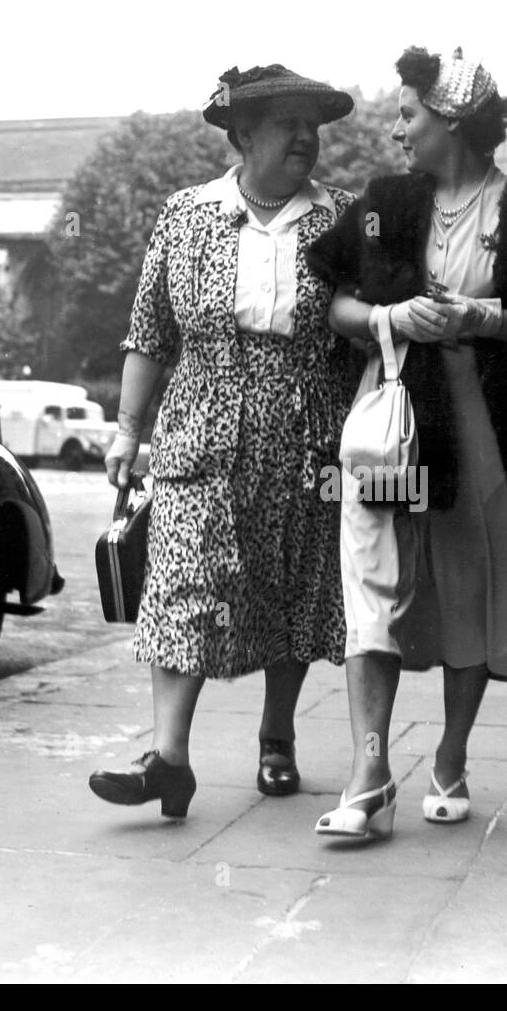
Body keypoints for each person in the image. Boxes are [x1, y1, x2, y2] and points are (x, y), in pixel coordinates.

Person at [306, 46, 507, 839]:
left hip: (490, 436)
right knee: (372, 590)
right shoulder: (385, 202)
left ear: (451, 121)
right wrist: (389, 318)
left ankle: (449, 758)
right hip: (393, 431)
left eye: (408, 114)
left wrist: (484, 320)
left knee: (474, 594)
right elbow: (337, 301)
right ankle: (369, 774)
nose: (396, 130)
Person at [87, 65, 357, 818]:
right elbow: (148, 334)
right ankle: (168, 759)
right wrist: (127, 431)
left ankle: (277, 737)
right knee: (182, 582)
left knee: (292, 580)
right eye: (287, 125)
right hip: (199, 422)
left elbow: (370, 330)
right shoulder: (185, 215)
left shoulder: (343, 220)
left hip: (305, 427)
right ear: (242, 135)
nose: (306, 137)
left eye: (313, 126)